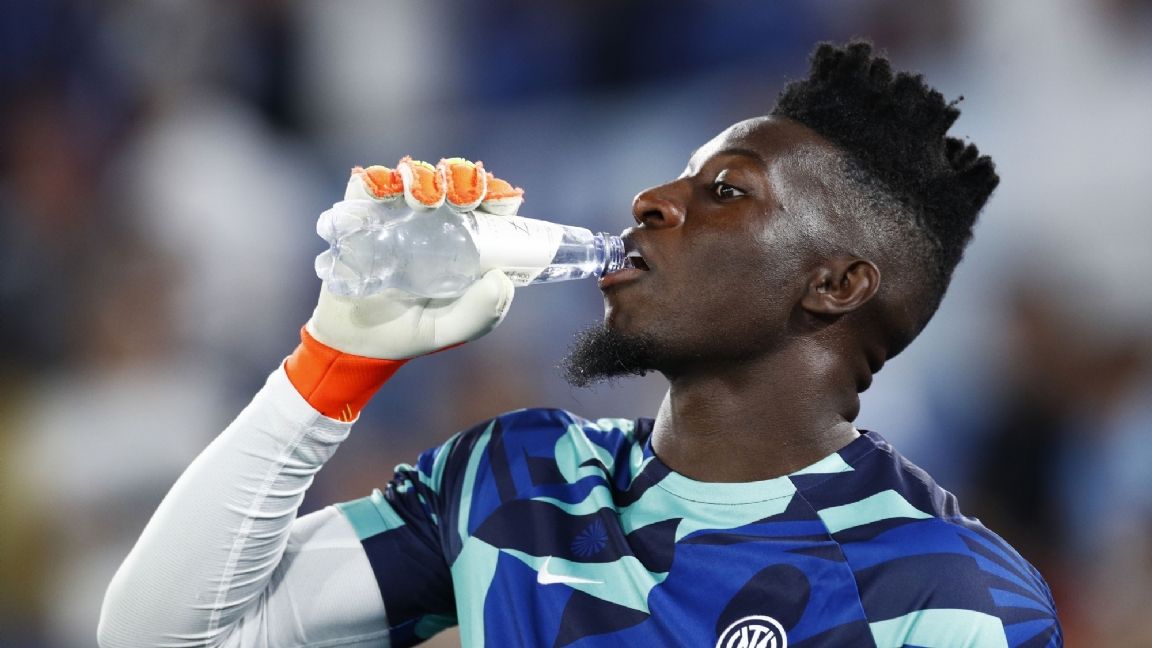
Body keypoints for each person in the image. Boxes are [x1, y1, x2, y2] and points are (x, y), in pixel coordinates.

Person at [99, 41, 1062, 648]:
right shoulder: (514, 480)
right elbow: (158, 635)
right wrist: (333, 361)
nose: (652, 201)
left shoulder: (945, 591)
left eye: (726, 191)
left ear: (836, 284)